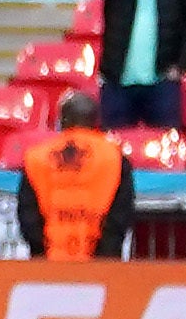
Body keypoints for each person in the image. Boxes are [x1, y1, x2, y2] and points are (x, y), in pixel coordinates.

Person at [13, 86, 138, 259]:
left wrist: (41, 250)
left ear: (62, 119)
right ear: (96, 121)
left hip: (47, 264)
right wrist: (105, 253)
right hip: (101, 265)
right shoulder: (116, 157)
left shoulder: (36, 157)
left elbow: (27, 213)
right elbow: (121, 213)